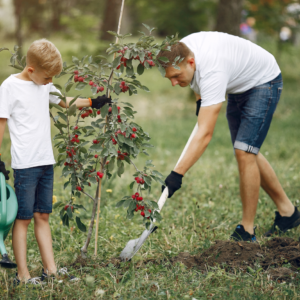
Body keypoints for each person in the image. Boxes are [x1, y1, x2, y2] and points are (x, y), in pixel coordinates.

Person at [158, 31, 300, 242]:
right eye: (170, 77)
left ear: (191, 62)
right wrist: (200, 101)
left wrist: (177, 174)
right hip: (238, 81)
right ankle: (288, 213)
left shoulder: (212, 71)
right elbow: (197, 82)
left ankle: (247, 230)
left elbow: (205, 134)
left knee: (245, 151)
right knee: (246, 149)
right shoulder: (181, 50)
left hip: (263, 81)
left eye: (176, 77)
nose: (173, 83)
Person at [0, 39, 111, 285]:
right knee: (23, 218)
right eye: (47, 77)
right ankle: (22, 275)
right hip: (25, 164)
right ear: (31, 70)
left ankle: (50, 271)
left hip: (45, 162)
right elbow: (1, 123)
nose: (50, 82)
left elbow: (64, 101)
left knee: (42, 216)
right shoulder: (9, 87)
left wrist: (93, 102)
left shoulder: (44, 85)